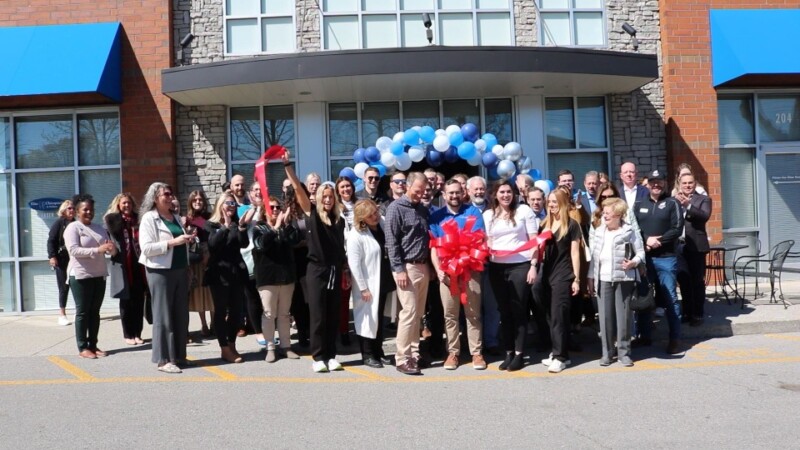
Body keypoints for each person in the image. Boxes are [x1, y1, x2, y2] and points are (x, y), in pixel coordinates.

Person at [284, 152, 347, 373]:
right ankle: (318, 356)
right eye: (325, 196)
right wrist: (288, 167)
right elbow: (300, 192)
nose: (328, 200)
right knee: (318, 316)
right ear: (319, 198)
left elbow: (341, 249)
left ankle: (331, 356)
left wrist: (345, 269)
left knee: (333, 315)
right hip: (316, 271)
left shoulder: (338, 220)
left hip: (334, 270)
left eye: (331, 197)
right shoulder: (312, 215)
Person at [430, 179, 487, 371]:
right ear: (444, 195)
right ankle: (453, 353)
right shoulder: (436, 216)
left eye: (457, 192)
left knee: (473, 314)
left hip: (470, 271)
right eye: (450, 193)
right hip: (447, 273)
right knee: (450, 315)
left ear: (463, 193)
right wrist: (438, 269)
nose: (454, 196)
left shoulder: (473, 212)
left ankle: (476, 353)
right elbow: (434, 246)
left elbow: (478, 240)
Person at [138, 182, 193, 374]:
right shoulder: (149, 219)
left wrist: (187, 239)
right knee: (164, 315)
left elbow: (180, 241)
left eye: (171, 194)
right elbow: (146, 248)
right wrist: (172, 242)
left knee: (180, 314)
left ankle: (178, 355)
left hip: (179, 269)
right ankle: (163, 359)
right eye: (166, 194)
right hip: (159, 271)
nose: (170, 197)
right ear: (155, 198)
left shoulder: (175, 217)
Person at [483, 181, 537, 371]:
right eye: (502, 192)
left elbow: (534, 241)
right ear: (495, 195)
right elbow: (488, 241)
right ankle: (509, 352)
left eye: (509, 192)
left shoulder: (524, 211)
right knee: (504, 311)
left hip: (520, 265)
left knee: (518, 310)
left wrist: (533, 266)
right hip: (497, 267)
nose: (506, 195)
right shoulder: (488, 215)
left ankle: (520, 354)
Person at [587, 198, 645, 367]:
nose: (604, 215)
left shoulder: (629, 231)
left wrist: (633, 263)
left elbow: (641, 253)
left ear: (618, 214)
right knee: (604, 318)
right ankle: (607, 352)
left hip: (623, 278)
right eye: (603, 212)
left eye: (607, 213)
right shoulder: (599, 231)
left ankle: (624, 352)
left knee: (624, 317)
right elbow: (594, 258)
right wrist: (591, 277)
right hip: (603, 278)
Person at [385, 172, 431, 375]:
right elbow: (391, 241)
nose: (419, 195)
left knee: (418, 314)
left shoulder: (422, 209)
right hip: (406, 268)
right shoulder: (396, 208)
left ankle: (414, 353)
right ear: (407, 186)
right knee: (409, 313)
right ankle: (402, 358)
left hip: (423, 266)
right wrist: (399, 269)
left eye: (422, 192)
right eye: (417, 191)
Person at [633, 170, 684, 354]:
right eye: (653, 181)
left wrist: (659, 241)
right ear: (647, 184)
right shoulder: (639, 204)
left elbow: (677, 229)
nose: (656, 185)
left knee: (670, 297)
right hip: (645, 259)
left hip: (666, 259)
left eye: (660, 181)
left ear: (665, 182)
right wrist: (646, 239)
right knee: (644, 297)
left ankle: (675, 339)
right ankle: (644, 336)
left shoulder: (673, 203)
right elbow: (634, 227)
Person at [64, 194, 117, 359]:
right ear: (77, 211)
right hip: (80, 275)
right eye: (85, 209)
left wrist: (111, 249)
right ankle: (82, 347)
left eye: (91, 209)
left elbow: (108, 247)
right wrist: (97, 250)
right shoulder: (73, 228)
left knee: (95, 312)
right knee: (83, 312)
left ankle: (93, 345)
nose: (89, 212)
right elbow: (73, 250)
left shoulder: (99, 228)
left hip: (98, 274)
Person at [252, 195, 302, 363]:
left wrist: (286, 225)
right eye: (271, 207)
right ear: (265, 210)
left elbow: (294, 240)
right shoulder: (260, 228)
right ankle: (270, 347)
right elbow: (262, 245)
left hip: (286, 277)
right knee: (269, 314)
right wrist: (275, 228)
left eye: (277, 207)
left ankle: (286, 346)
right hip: (267, 278)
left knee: (284, 314)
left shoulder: (285, 227)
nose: (274, 210)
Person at [538, 188, 582, 373]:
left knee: (559, 316)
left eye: (555, 202)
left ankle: (560, 357)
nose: (551, 205)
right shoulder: (544, 224)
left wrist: (577, 279)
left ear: (563, 203)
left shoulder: (572, 225)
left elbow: (575, 253)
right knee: (550, 314)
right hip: (546, 274)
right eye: (549, 202)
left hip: (563, 274)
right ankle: (558, 351)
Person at [347, 199, 395, 368]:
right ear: (362, 218)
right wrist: (363, 288)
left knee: (379, 319)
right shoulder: (356, 235)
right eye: (371, 215)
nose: (375, 216)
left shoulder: (380, 225)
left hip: (383, 281)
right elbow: (354, 265)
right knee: (366, 319)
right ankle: (367, 354)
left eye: (375, 212)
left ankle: (378, 351)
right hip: (367, 285)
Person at [204, 192, 250, 363]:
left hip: (236, 273)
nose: (231, 206)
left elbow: (243, 243)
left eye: (233, 204)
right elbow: (213, 245)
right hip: (219, 274)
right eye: (228, 203)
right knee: (221, 311)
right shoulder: (211, 225)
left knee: (237, 312)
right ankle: (224, 348)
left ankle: (232, 344)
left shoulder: (236, 224)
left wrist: (242, 226)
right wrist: (225, 226)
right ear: (220, 205)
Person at [104, 193, 147, 345]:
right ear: (118, 205)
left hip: (138, 266)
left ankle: (137, 333)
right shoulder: (113, 220)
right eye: (123, 203)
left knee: (139, 301)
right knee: (126, 302)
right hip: (122, 265)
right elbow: (110, 238)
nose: (127, 206)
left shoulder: (139, 220)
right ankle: (128, 334)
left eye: (129, 203)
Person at [674, 172, 711, 326]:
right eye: (684, 183)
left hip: (696, 246)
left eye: (690, 183)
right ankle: (687, 312)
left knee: (696, 281)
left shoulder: (703, 199)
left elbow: (704, 216)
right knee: (683, 281)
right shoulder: (673, 200)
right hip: (679, 246)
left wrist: (687, 206)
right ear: (679, 184)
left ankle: (698, 314)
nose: (688, 186)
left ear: (695, 184)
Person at [238, 182, 265, 344]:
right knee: (253, 298)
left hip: (267, 260)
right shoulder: (244, 210)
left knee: (266, 298)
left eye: (261, 190)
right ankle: (258, 332)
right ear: (249, 194)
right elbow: (243, 224)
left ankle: (268, 328)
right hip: (249, 258)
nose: (258, 192)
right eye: (255, 190)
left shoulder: (271, 208)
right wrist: (255, 208)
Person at [184, 190, 213, 337]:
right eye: (194, 200)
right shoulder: (187, 219)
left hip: (211, 256)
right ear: (190, 202)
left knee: (211, 292)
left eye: (200, 199)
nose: (197, 202)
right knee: (200, 292)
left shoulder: (211, 217)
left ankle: (214, 322)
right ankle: (203, 324)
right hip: (196, 258)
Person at [335, 176, 357, 346]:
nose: (346, 190)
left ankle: (362, 331)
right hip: (344, 258)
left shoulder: (359, 205)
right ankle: (343, 331)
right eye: (342, 187)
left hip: (361, 257)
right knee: (343, 299)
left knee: (362, 296)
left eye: (348, 186)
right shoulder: (335, 208)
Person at [47, 199, 75, 326]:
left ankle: (79, 311)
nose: (72, 210)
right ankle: (62, 314)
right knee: (63, 287)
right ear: (63, 210)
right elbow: (51, 240)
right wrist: (52, 256)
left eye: (73, 208)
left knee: (76, 285)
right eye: (69, 208)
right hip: (61, 259)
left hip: (74, 259)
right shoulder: (59, 223)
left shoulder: (76, 223)